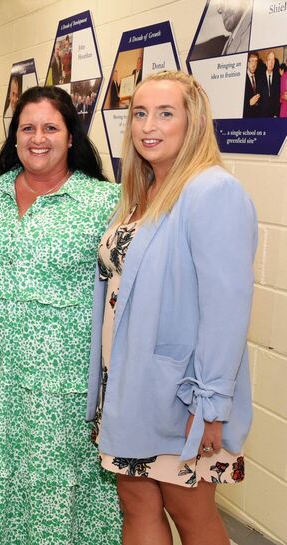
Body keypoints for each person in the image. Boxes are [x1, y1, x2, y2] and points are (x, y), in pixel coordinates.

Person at [88, 71, 256, 545]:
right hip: (130, 386)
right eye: (139, 113)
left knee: (191, 512)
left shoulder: (211, 191)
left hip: (181, 395)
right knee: (136, 503)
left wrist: (211, 406)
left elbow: (227, 310)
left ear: (193, 121)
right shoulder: (142, 195)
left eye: (165, 113)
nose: (148, 125)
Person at [0, 85, 121, 545]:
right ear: (14, 136)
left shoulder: (103, 200)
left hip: (64, 380)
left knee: (57, 483)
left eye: (51, 127)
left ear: (71, 136)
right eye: (27, 127)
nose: (38, 138)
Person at [243, 52, 264, 118]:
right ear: (247, 62)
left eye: (256, 61)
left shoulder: (259, 77)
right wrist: (248, 103)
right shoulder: (242, 78)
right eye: (252, 61)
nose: (254, 64)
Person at [261, 51, 280, 117]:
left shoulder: (277, 78)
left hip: (273, 115)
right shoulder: (259, 77)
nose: (271, 62)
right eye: (269, 59)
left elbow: (277, 98)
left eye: (273, 60)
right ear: (266, 62)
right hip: (261, 115)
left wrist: (276, 114)